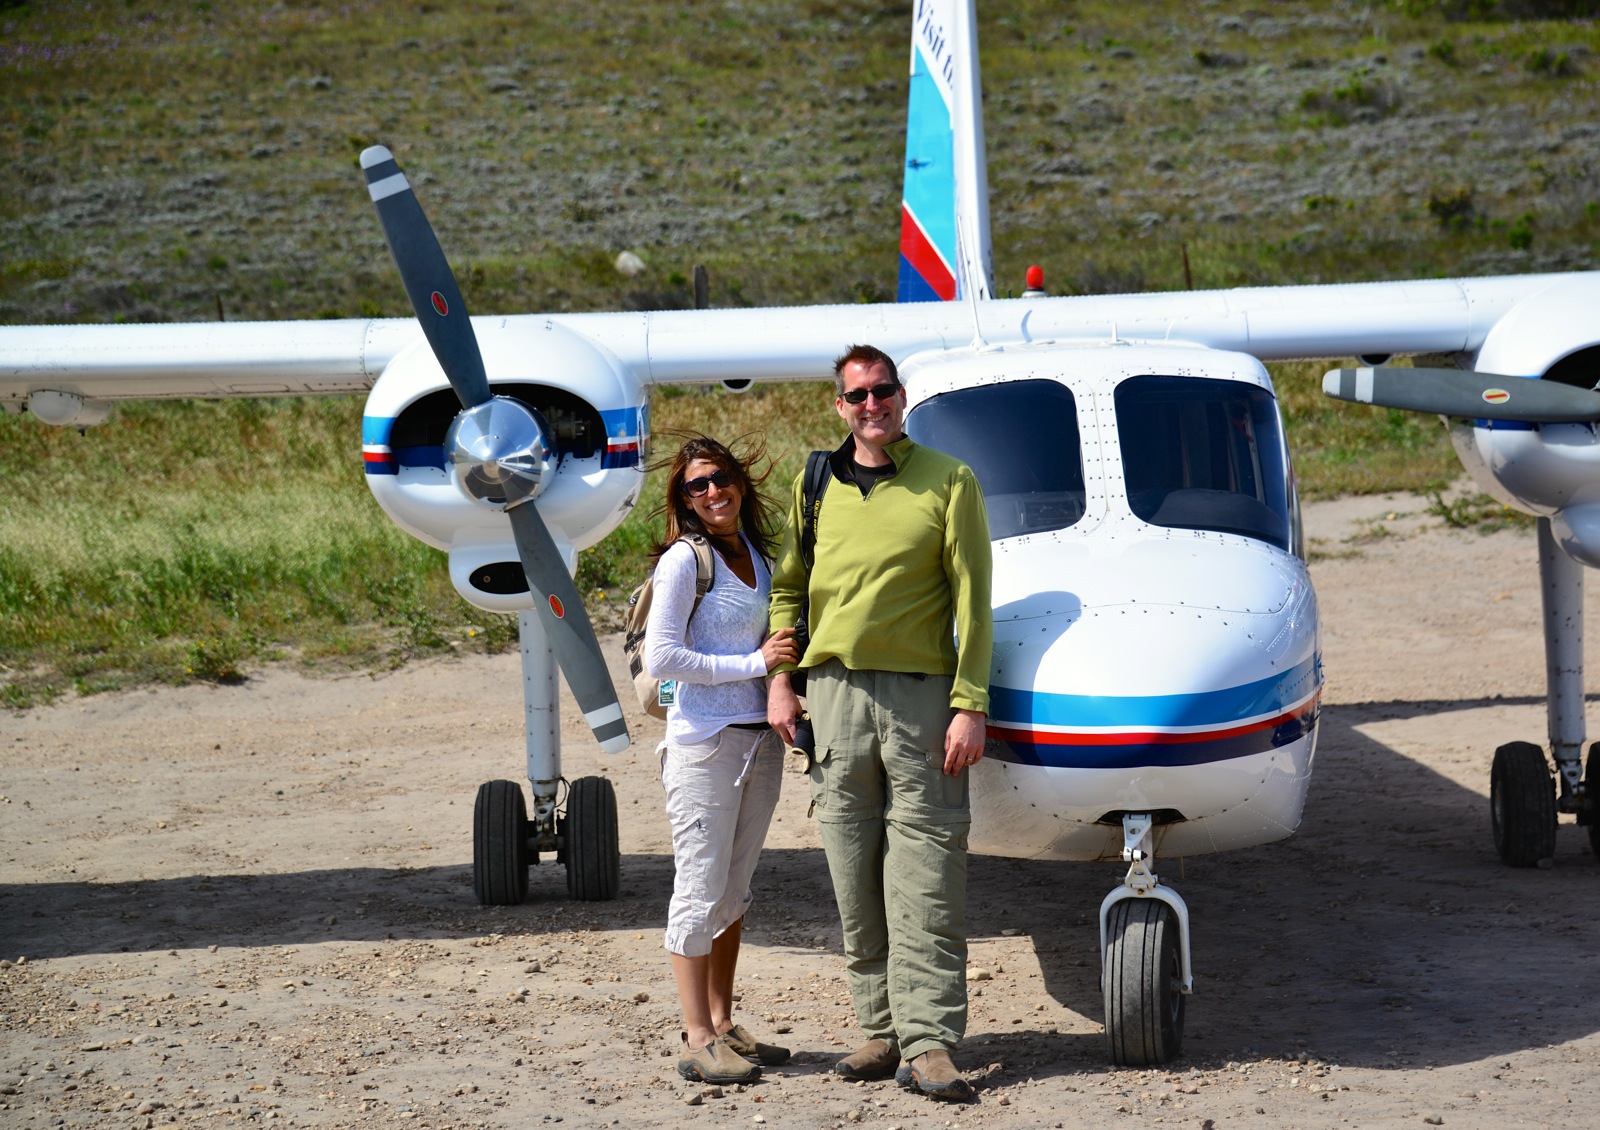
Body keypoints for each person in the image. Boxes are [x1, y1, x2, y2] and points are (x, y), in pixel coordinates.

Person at [766, 344, 993, 1103]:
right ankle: (879, 1027)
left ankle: (929, 1042)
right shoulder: (814, 484)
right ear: (840, 405)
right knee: (851, 867)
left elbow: (973, 605)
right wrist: (780, 683)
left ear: (902, 396)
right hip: (831, 697)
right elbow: (787, 593)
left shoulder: (950, 480)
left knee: (925, 870)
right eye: (857, 395)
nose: (872, 405)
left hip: (920, 701)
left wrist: (970, 703)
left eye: (883, 391)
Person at [644, 434, 800, 1085]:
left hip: (758, 746)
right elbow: (662, 659)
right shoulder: (685, 561)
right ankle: (697, 1034)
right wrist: (753, 664)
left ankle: (726, 1022)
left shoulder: (759, 557)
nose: (712, 492)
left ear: (740, 480)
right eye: (696, 486)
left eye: (720, 479)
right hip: (704, 746)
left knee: (733, 893)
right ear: (683, 500)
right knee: (699, 889)